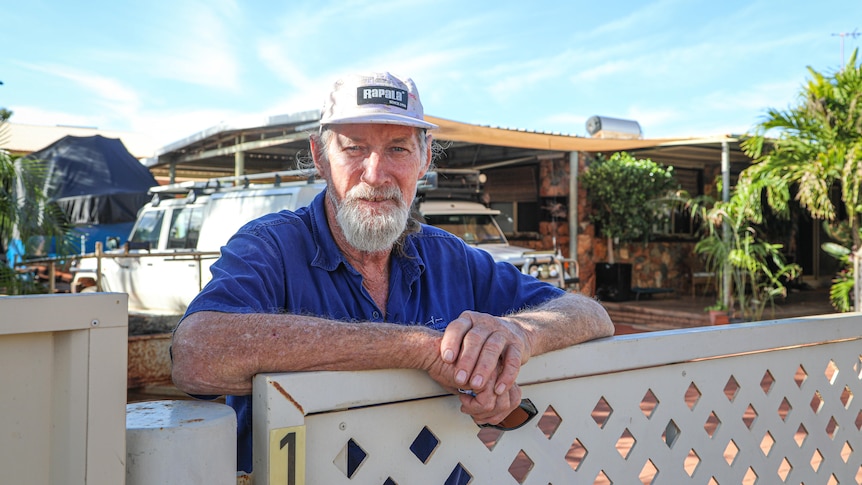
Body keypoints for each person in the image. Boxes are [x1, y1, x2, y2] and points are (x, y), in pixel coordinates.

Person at [171, 71, 614, 474]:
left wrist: (516, 335)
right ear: (320, 157)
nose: (376, 173)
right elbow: (196, 354)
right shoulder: (271, 247)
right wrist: (420, 350)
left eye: (397, 148)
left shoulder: (448, 256)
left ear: (424, 161)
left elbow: (590, 315)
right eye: (354, 148)